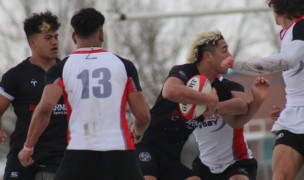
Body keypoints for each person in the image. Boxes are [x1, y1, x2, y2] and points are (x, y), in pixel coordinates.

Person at [18, 7, 150, 180]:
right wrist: (138, 133)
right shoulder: (124, 65)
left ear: (74, 37)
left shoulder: (61, 68)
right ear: (102, 34)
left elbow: (45, 109)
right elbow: (143, 116)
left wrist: (28, 147)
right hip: (119, 151)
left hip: (80, 152)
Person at [135, 30, 268, 180]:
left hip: (172, 155)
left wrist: (218, 105)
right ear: (208, 56)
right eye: (224, 50)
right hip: (146, 144)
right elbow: (170, 91)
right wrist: (208, 100)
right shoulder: (184, 71)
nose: (230, 56)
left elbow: (241, 108)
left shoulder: (220, 88)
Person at [231, 0, 304, 179]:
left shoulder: (301, 26)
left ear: (278, 9)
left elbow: (288, 60)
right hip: (294, 117)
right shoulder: (291, 32)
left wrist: (238, 65)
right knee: (280, 176)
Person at [0, 11, 68, 180]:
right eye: (48, 38)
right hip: (22, 154)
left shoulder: (69, 72)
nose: (54, 42)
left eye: (56, 37)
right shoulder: (16, 75)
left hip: (59, 156)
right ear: (33, 42)